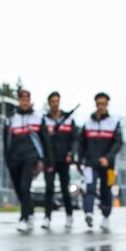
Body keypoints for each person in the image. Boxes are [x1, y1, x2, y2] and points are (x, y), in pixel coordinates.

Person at [4, 88, 47, 233]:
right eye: (22, 100)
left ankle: (23, 217)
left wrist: (44, 160)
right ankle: (29, 211)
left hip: (31, 157)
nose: (24, 102)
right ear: (19, 101)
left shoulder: (38, 118)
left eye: (27, 100)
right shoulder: (11, 118)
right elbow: (6, 141)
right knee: (19, 188)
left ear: (30, 101)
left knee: (25, 186)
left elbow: (45, 141)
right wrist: (7, 158)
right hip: (14, 158)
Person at [78, 93, 121, 230]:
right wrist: (80, 161)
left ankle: (106, 216)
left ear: (107, 104)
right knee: (89, 188)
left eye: (103, 104)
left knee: (106, 190)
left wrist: (108, 158)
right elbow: (81, 144)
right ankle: (89, 213)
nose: (101, 106)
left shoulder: (114, 122)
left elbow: (118, 143)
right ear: (95, 104)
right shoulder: (88, 123)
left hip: (108, 166)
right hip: (91, 163)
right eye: (98, 104)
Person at [42, 92, 78, 231]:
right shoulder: (44, 120)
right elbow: (42, 139)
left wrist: (71, 154)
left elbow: (75, 139)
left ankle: (69, 215)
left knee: (65, 189)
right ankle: (47, 217)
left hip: (64, 159)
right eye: (52, 101)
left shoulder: (68, 119)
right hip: (50, 160)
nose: (55, 104)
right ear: (49, 103)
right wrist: (47, 133)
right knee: (49, 188)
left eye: (57, 101)